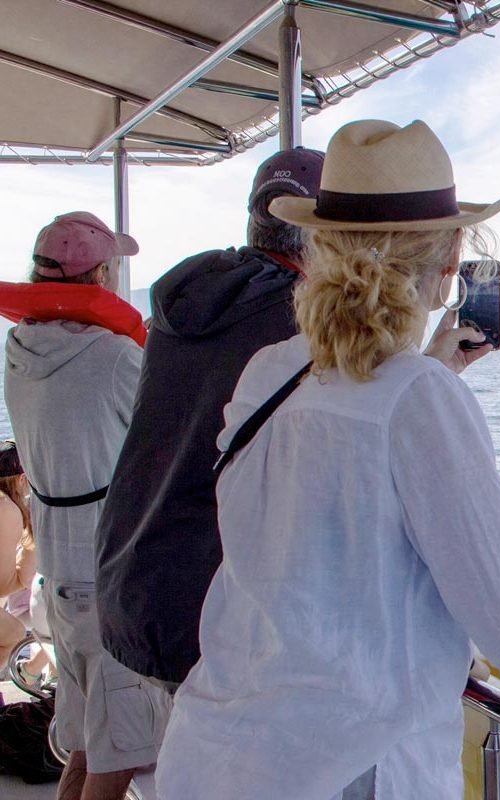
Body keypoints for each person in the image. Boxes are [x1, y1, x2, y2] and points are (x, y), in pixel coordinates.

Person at [155, 120, 500, 800]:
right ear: (450, 260)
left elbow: (325, 504)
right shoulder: (415, 398)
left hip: (217, 752)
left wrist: (432, 374)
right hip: (345, 772)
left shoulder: (269, 371)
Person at [94, 147, 325, 690]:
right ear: (323, 236)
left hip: (131, 576)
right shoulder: (296, 327)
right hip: (204, 602)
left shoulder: (186, 306)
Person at [4, 212, 171, 800]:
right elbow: (165, 438)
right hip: (106, 572)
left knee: (87, 741)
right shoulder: (114, 357)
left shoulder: (18, 346)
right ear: (99, 275)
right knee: (122, 750)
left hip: (59, 568)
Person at [0, 440, 33, 666]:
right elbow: (4, 586)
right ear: (22, 478)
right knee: (14, 632)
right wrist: (33, 545)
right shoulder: (7, 509)